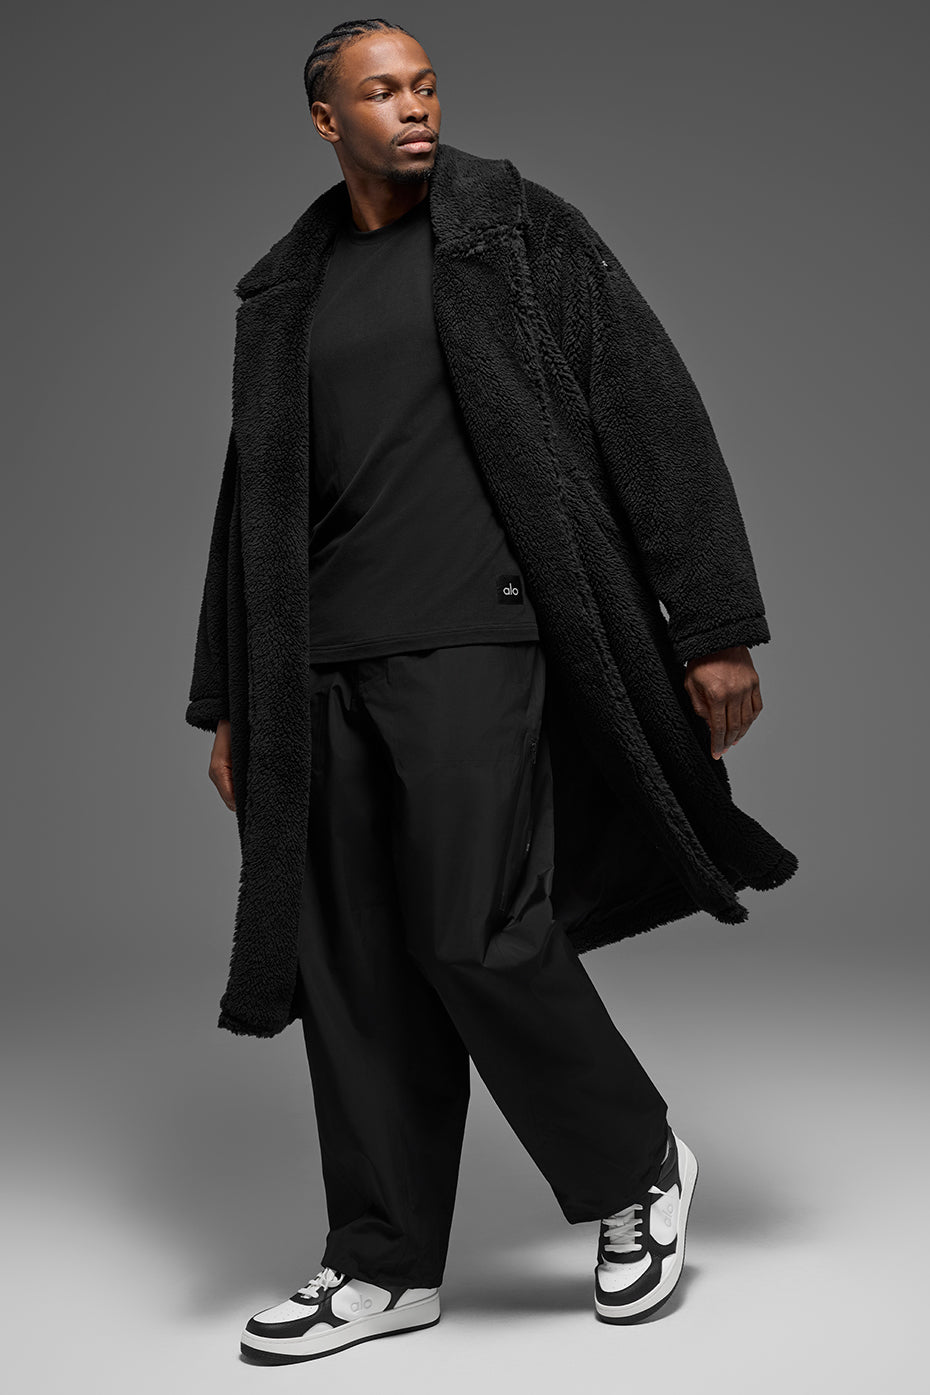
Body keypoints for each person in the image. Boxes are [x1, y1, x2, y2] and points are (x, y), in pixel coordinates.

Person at [185, 16, 798, 1365]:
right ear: (325, 119)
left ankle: (635, 1166)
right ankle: (382, 1263)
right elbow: (252, 504)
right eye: (380, 92)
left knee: (475, 926)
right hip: (318, 659)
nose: (414, 108)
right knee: (351, 961)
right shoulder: (286, 292)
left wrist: (713, 622)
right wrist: (230, 692)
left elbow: (649, 408)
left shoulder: (511, 231)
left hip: (481, 633)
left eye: (425, 85)